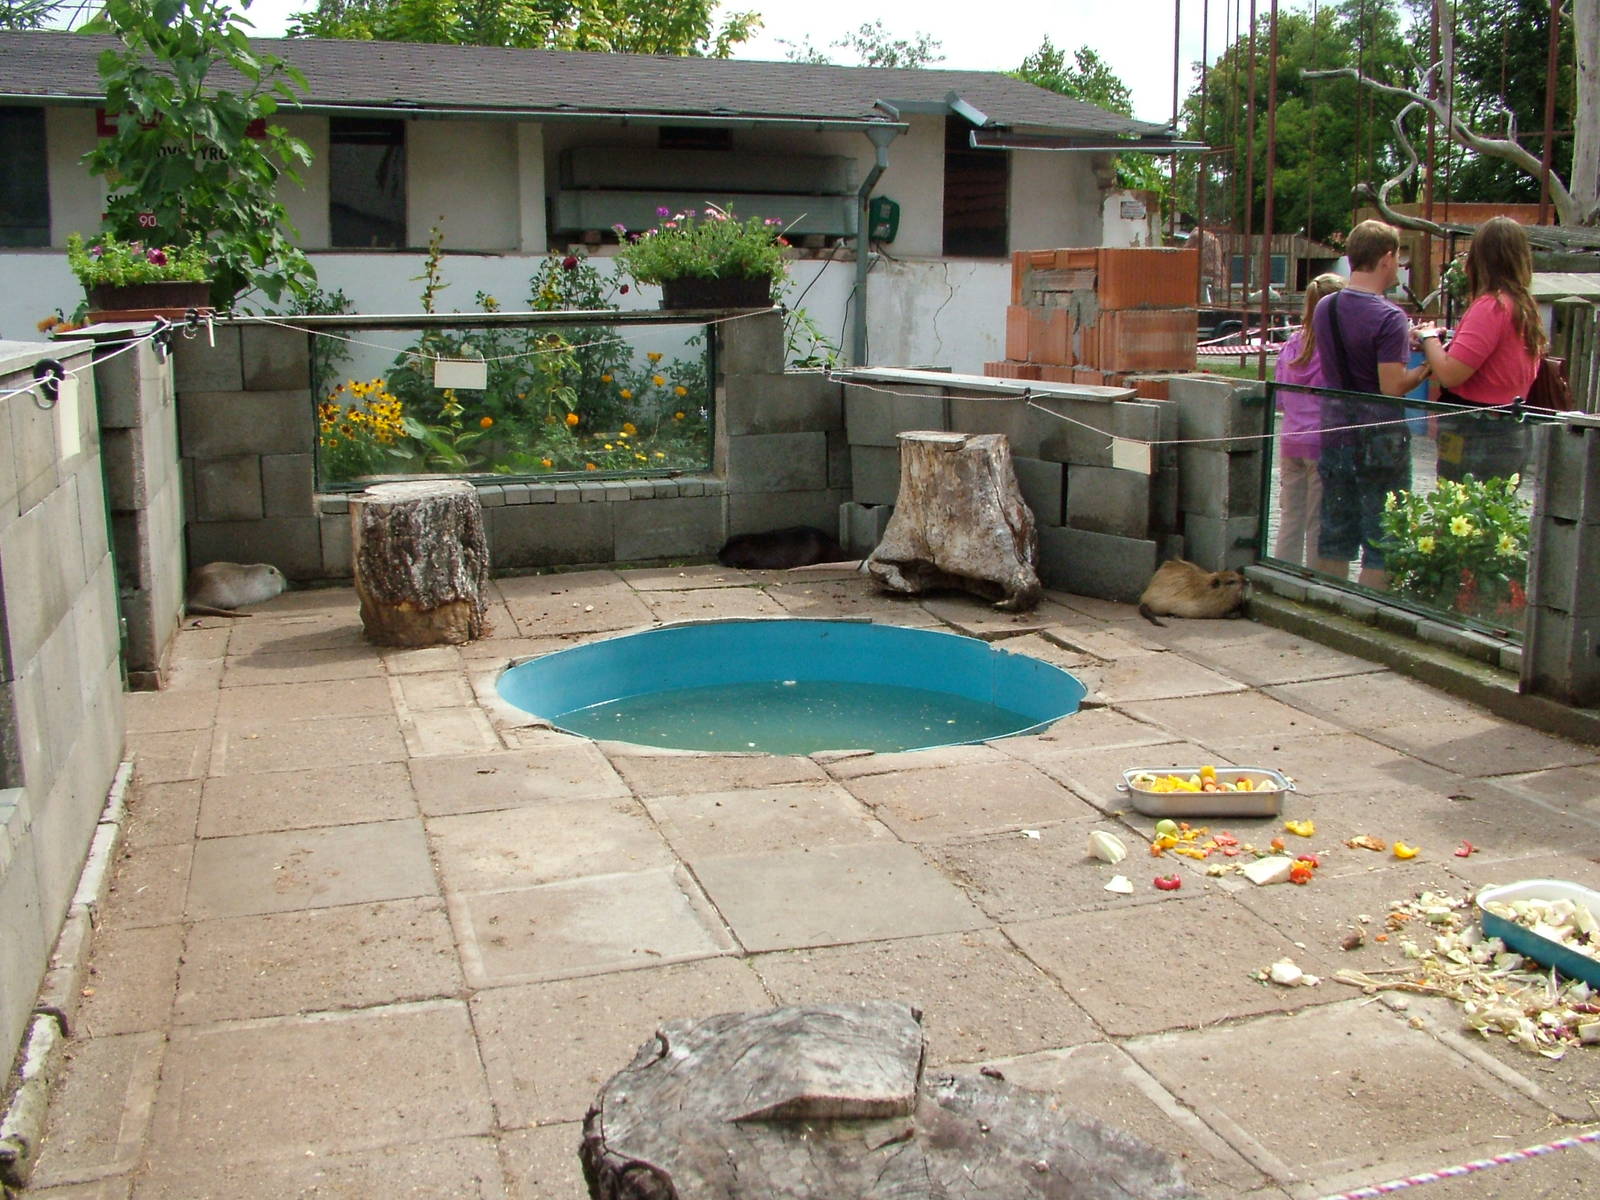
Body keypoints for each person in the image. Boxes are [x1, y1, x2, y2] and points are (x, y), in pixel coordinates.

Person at [1311, 220, 1431, 589]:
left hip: (1334, 429)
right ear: (1387, 258)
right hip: (1380, 437)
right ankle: (1371, 610)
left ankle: (1328, 602)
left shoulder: (1325, 307)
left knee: (1336, 529)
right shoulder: (1390, 316)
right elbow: (1391, 387)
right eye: (1398, 259)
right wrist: (1427, 366)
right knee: (1383, 536)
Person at [1412, 216, 1544, 484]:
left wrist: (1428, 338)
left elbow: (1450, 374)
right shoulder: (1525, 307)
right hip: (1509, 429)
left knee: (1457, 518)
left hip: (1476, 431)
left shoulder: (1492, 306)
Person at [1272, 272, 1346, 564]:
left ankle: (1282, 574)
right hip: (1323, 445)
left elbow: (1279, 399)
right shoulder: (1333, 351)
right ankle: (1314, 581)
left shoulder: (1291, 345)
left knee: (1290, 518)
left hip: (1291, 441)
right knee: (1318, 522)